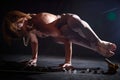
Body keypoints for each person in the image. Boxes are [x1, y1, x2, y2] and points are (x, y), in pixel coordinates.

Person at [2, 10, 117, 68]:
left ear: (21, 21)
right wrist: (34, 58)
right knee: (65, 31)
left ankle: (98, 42)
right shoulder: (31, 27)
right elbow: (34, 41)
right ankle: (96, 48)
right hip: (61, 32)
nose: (20, 34)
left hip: (66, 20)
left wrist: (68, 61)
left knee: (72, 23)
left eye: (18, 30)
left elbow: (66, 40)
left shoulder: (41, 23)